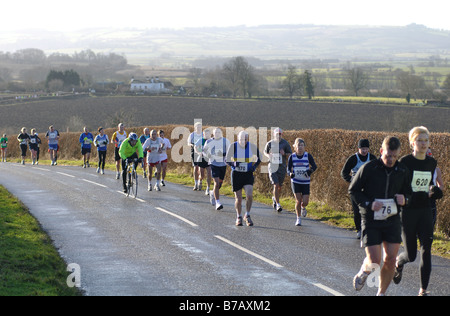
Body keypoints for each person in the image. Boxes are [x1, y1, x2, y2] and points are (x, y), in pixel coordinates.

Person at [350, 136, 411, 296]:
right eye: (387, 156)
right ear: (381, 151)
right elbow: (353, 190)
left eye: (394, 156)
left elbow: (410, 193)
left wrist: (405, 199)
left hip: (392, 220)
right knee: (375, 261)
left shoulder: (402, 171)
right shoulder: (370, 168)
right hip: (371, 219)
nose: (390, 160)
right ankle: (364, 270)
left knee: (391, 259)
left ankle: (381, 293)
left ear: (398, 154)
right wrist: (370, 204)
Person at [394, 126, 444, 296]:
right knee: (411, 255)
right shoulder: (405, 162)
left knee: (427, 248)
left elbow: (431, 185)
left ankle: (423, 290)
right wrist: (405, 198)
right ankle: (398, 263)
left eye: (426, 141)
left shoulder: (432, 163)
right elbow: (398, 187)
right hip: (408, 212)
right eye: (420, 140)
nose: (423, 144)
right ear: (412, 143)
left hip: (424, 210)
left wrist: (436, 192)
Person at [341, 139, 376, 238]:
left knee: (369, 209)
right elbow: (343, 172)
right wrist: (351, 180)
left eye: (366, 149)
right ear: (358, 149)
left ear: (368, 149)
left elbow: (378, 171)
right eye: (362, 149)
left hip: (369, 189)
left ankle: (368, 229)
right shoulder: (353, 159)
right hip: (355, 189)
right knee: (357, 211)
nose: (364, 151)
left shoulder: (372, 158)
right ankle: (359, 230)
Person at [226, 131, 262, 226]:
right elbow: (227, 159)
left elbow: (260, 157)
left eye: (245, 139)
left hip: (248, 174)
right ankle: (238, 216)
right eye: (241, 139)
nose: (243, 141)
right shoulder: (233, 146)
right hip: (237, 174)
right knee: (238, 198)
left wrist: (254, 167)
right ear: (238, 139)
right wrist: (234, 163)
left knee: (249, 195)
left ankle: (248, 215)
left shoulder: (252, 146)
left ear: (247, 139)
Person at [287, 138, 317, 226]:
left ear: (304, 147)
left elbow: (314, 166)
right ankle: (298, 219)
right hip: (295, 181)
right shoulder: (292, 157)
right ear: (295, 147)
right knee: (298, 200)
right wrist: (290, 174)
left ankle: (303, 207)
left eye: (301, 145)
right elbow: (288, 169)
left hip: (305, 182)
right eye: (298, 145)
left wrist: (309, 171)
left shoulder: (308, 156)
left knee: (305, 201)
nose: (300, 147)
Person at [264, 128, 292, 213]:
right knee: (276, 185)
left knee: (279, 186)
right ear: (274, 135)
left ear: (281, 135)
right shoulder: (270, 143)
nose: (278, 136)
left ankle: (274, 198)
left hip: (281, 167)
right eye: (277, 134)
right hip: (272, 166)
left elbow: (290, 154)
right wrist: (269, 155)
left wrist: (284, 154)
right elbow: (265, 152)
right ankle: (278, 204)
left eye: (279, 134)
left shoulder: (285, 143)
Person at [203, 128, 230, 210]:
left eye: (219, 132)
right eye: (215, 133)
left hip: (223, 164)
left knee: (219, 185)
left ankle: (212, 193)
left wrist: (223, 154)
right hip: (213, 163)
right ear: (213, 134)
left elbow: (230, 151)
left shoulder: (225, 141)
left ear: (221, 133)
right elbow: (204, 152)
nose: (217, 134)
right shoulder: (209, 142)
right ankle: (218, 202)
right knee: (216, 183)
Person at [426, 148, 444, 229]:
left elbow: (441, 185)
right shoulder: (414, 168)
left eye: (430, 154)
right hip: (417, 198)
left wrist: (436, 191)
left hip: (430, 200)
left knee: (430, 226)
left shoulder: (436, 170)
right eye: (426, 154)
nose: (428, 155)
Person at [194, 129, 212, 195]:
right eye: (205, 134)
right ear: (203, 134)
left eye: (208, 134)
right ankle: (200, 180)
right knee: (202, 175)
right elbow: (195, 147)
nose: (206, 135)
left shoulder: (212, 141)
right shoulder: (201, 140)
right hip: (201, 159)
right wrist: (199, 152)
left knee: (209, 174)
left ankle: (208, 188)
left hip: (209, 159)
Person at [188, 122, 203, 191]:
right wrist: (193, 145)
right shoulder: (192, 134)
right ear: (195, 127)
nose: (199, 128)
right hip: (194, 152)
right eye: (197, 127)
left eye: (200, 127)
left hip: (202, 152)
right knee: (196, 167)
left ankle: (200, 181)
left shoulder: (203, 134)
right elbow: (188, 143)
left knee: (201, 168)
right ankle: (196, 183)